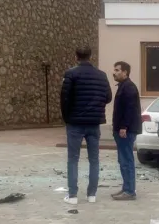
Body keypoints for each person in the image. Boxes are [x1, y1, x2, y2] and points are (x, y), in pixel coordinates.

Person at [60, 46, 112, 205]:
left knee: (73, 159)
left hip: (75, 123)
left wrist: (67, 118)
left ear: (76, 56)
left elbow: (64, 98)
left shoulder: (71, 74)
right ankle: (92, 195)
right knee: (94, 160)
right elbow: (108, 97)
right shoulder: (102, 75)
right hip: (94, 123)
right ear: (90, 56)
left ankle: (73, 196)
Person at [110, 61, 142, 201]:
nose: (114, 72)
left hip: (126, 131)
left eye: (117, 70)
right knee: (123, 160)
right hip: (122, 129)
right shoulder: (123, 86)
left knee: (126, 160)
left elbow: (130, 109)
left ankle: (129, 191)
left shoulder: (129, 87)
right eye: (114, 70)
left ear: (125, 72)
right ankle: (126, 188)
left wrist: (124, 127)